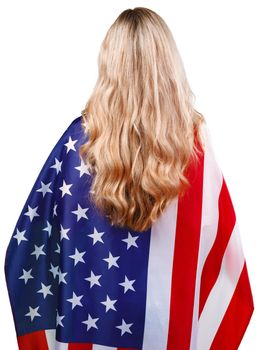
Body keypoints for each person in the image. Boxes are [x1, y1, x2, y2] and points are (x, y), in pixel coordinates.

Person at [4, 6, 254, 350]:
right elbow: (227, 266)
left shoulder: (75, 146)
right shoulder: (195, 149)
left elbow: (25, 256)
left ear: (108, 67)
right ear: (168, 67)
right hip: (166, 334)